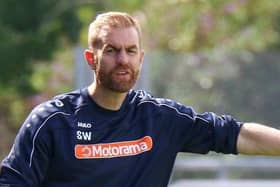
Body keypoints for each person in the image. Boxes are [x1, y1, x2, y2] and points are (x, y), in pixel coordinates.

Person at [0, 11, 280, 187]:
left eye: (131, 51)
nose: (123, 60)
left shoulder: (160, 119)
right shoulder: (51, 122)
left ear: (141, 58)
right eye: (111, 50)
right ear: (90, 58)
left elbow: (238, 135)